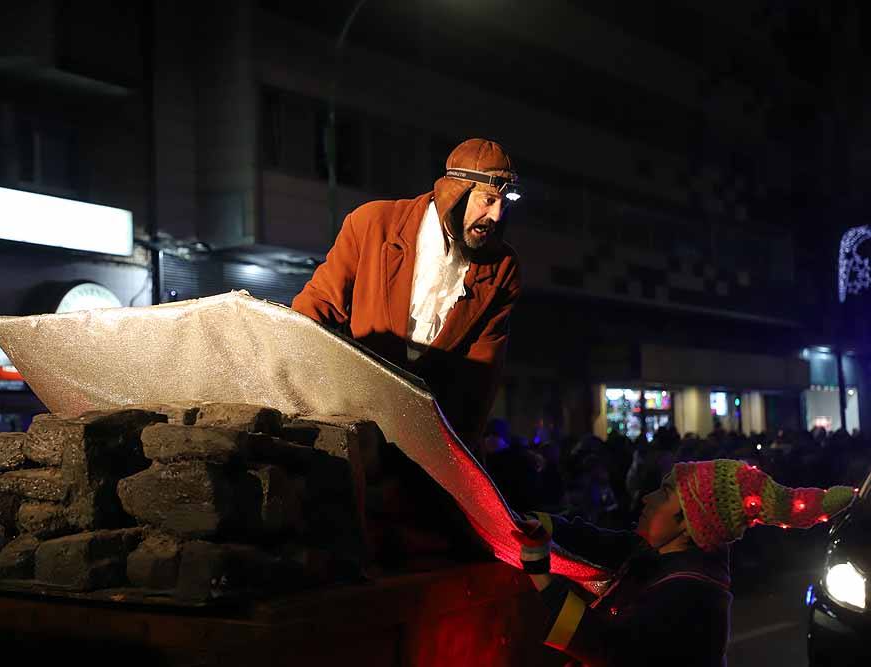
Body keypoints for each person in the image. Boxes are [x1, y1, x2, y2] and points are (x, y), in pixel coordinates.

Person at [292, 138, 522, 452]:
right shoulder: (372, 223)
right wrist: (292, 387)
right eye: (488, 200)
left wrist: (462, 452)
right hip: (357, 416)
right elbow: (317, 306)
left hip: (430, 434)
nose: (496, 215)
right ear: (456, 191)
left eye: (504, 203)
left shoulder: (503, 268)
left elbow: (482, 376)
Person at [513, 459, 856, 666]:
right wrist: (542, 523)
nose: (646, 498)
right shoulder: (663, 554)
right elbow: (603, 543)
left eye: (662, 495)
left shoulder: (692, 593)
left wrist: (542, 578)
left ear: (689, 523)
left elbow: (612, 650)